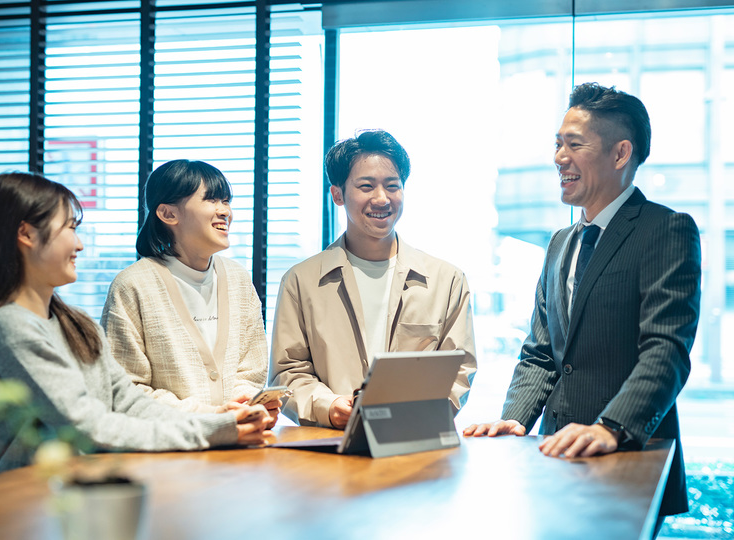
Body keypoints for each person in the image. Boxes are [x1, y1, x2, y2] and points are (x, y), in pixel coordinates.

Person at [463, 83, 702, 530]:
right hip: (553, 457)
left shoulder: (666, 229)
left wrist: (611, 427)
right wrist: (515, 420)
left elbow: (666, 350)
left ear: (620, 153)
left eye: (574, 144)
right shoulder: (559, 243)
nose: (559, 158)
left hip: (628, 458)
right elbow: (541, 353)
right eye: (557, 144)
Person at [0, 172, 272, 476]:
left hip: (82, 488)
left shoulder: (77, 323)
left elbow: (128, 402)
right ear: (26, 234)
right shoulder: (10, 326)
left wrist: (219, 421)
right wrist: (215, 430)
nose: (79, 245)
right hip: (27, 497)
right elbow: (89, 426)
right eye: (70, 227)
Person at [270, 130, 477, 428]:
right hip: (330, 441)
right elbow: (287, 371)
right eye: (366, 186)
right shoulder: (301, 281)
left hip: (414, 440)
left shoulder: (447, 280)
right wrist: (328, 406)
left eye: (392, 186)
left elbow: (458, 369)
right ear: (337, 195)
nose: (381, 199)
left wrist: (416, 417)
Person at [101, 160, 279, 422]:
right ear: (168, 214)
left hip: (241, 437)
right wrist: (212, 416)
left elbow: (251, 371)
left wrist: (247, 404)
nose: (225, 211)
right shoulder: (132, 285)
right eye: (211, 200)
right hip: (168, 441)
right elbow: (127, 388)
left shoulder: (238, 279)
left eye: (226, 201)